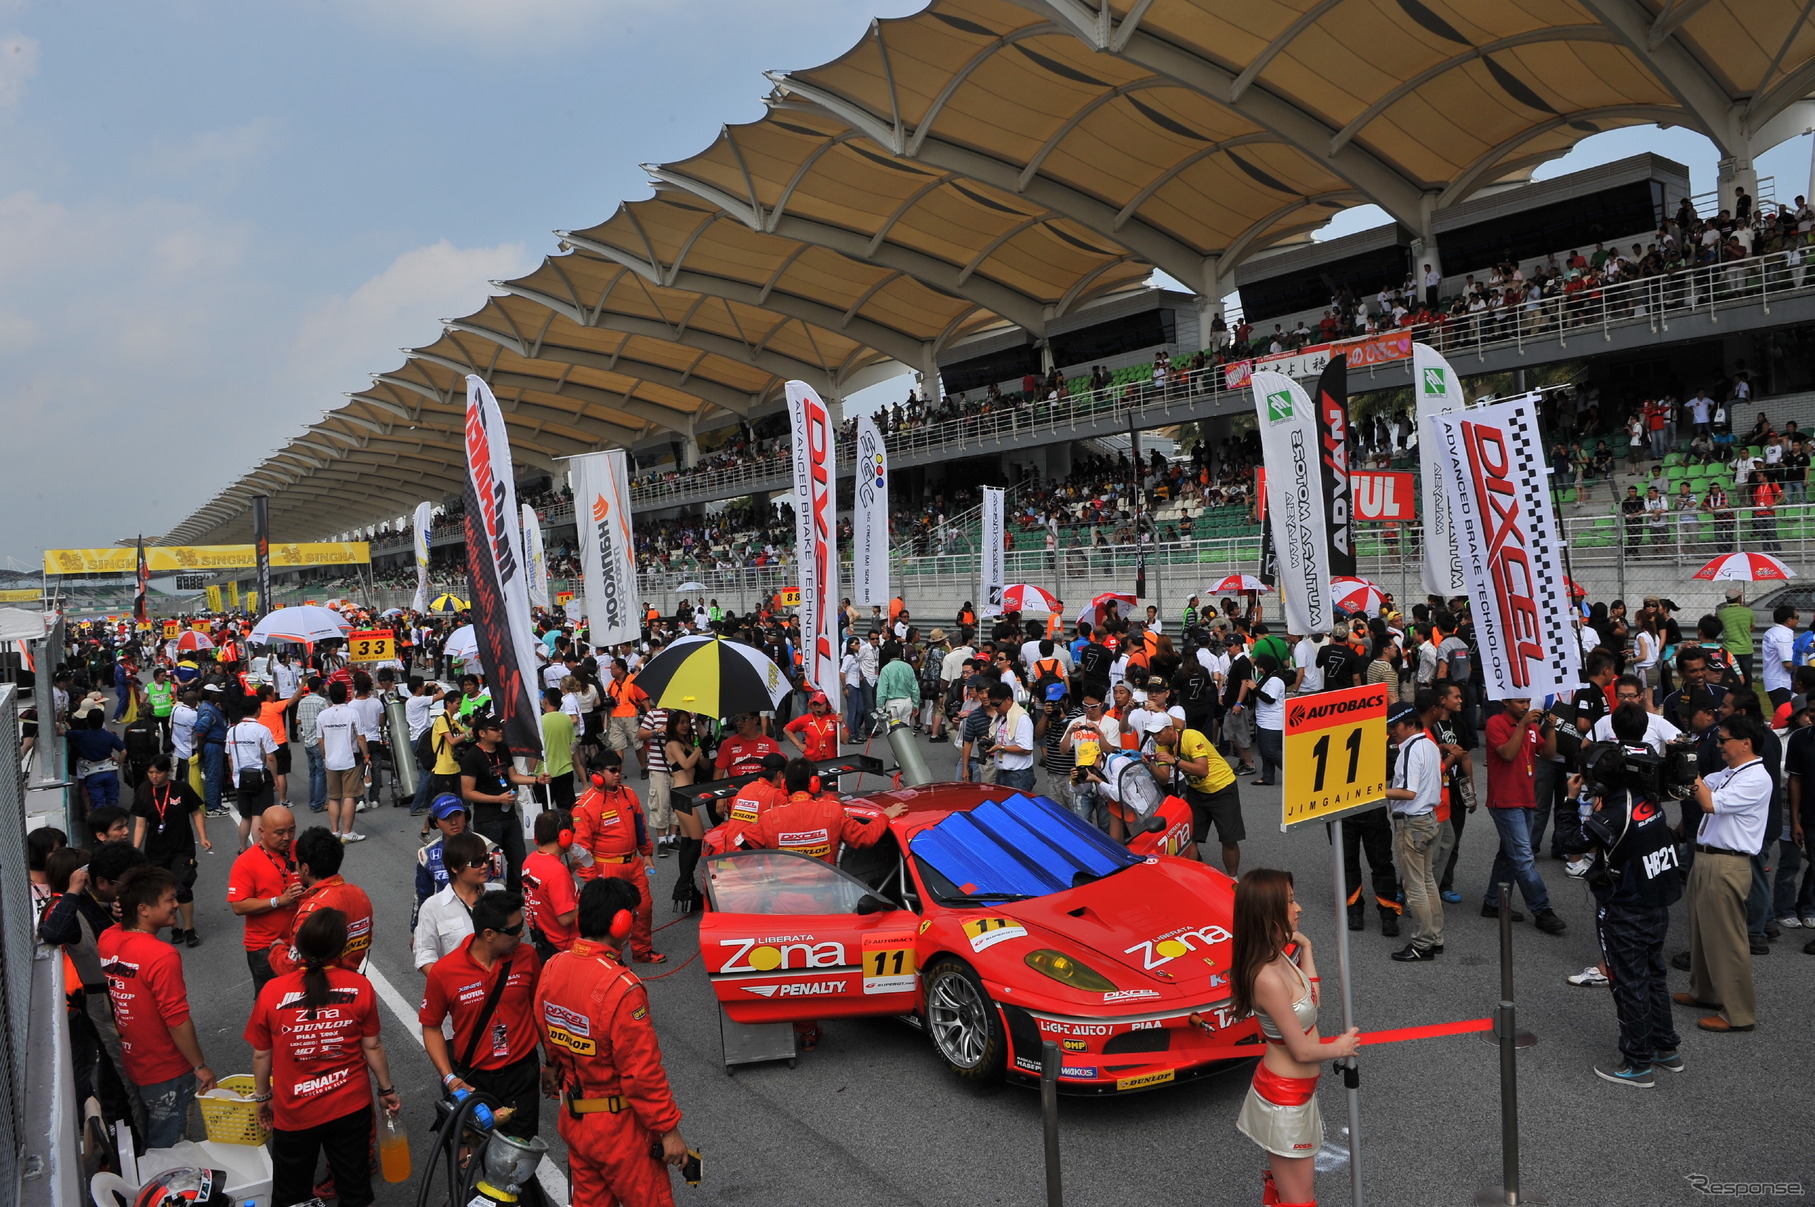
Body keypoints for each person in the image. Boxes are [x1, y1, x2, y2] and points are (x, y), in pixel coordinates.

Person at [534, 877, 693, 1207]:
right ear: (622, 922)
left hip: (575, 1117)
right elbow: (641, 1073)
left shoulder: (553, 966)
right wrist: (668, 1130)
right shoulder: (621, 987)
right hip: (619, 1129)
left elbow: (548, 1034)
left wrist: (556, 1067)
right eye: (633, 916)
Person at [247, 908, 399, 1207]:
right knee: (354, 1187)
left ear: (298, 947)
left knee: (291, 1192)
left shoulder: (272, 991)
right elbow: (373, 1047)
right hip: (350, 1106)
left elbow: (261, 1054)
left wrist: (263, 1096)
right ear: (342, 948)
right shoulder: (359, 986)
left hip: (294, 1112)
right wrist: (386, 1090)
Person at [1230, 868, 1359, 1207]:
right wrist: (1340, 1047)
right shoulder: (1267, 977)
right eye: (1289, 902)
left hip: (1296, 1095)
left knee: (1296, 1195)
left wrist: (1308, 949)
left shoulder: (1279, 955)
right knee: (1299, 1200)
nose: (1299, 907)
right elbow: (1301, 1051)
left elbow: (1312, 1002)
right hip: (1283, 1100)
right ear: (1267, 913)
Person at [1574, 704, 1686, 1086]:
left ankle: (1637, 1063)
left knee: (1629, 981)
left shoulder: (1612, 811)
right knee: (1653, 975)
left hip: (1625, 907)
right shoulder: (1650, 795)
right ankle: (1665, 1047)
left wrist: (1575, 802)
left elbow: (1568, 844)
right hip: (1657, 900)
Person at [97, 865, 218, 1149]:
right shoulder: (161, 955)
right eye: (169, 900)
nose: (177, 904)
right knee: (168, 1147)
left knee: (146, 1134)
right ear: (144, 909)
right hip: (166, 1069)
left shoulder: (108, 937)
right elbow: (176, 1019)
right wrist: (200, 1066)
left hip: (132, 1061)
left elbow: (119, 922)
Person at [421, 890, 544, 1167]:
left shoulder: (527, 957)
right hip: (474, 1081)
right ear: (489, 934)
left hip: (521, 1074)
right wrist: (450, 1079)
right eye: (514, 930)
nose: (522, 935)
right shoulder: (445, 972)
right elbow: (430, 1027)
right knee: (477, 1159)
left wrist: (552, 1063)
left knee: (519, 1159)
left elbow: (538, 1009)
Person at [1679, 712, 1772, 1033]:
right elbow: (1700, 785)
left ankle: (1739, 1013)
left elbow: (1707, 801)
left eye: (1723, 740)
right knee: (1703, 931)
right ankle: (1705, 993)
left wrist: (1687, 767)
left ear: (1745, 743)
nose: (1718, 745)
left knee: (1728, 939)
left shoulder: (1756, 777)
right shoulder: (1733, 771)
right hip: (1707, 858)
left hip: (1728, 862)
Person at [1484, 698, 1568, 935]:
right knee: (1523, 857)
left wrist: (1550, 728)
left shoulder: (1532, 727)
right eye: (1520, 702)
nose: (1526, 706)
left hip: (1527, 798)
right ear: (1506, 701)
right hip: (1506, 801)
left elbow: (1549, 753)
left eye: (1528, 702)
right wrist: (1522, 727)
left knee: (1509, 854)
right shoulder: (1495, 723)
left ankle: (1492, 902)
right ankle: (1542, 910)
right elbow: (1507, 754)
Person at [571, 751, 664, 964]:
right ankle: (612, 958)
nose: (618, 774)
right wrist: (593, 881)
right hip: (607, 870)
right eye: (612, 770)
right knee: (611, 916)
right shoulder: (585, 806)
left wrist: (647, 853)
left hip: (633, 864)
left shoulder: (628, 793)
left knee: (643, 907)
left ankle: (642, 951)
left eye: (619, 769)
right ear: (597, 774)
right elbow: (580, 849)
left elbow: (640, 825)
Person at [266, 826, 374, 976]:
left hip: (319, 989)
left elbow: (293, 967)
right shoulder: (359, 894)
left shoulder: (311, 911)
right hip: (352, 979)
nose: (295, 867)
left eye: (296, 863)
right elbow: (366, 939)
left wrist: (277, 950)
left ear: (305, 868)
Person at [1384, 703, 1445, 961]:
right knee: (1428, 880)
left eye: (1395, 726)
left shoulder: (1410, 750)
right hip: (1429, 818)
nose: (1391, 732)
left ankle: (1421, 944)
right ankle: (1435, 937)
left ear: (1410, 723)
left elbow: (1408, 791)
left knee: (1415, 885)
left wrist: (1375, 791)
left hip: (1411, 822)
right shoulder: (1430, 744)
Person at [461, 714, 547, 894]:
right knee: (493, 863)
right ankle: (493, 897)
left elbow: (513, 776)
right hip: (488, 819)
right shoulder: (472, 756)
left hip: (509, 816)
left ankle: (514, 895)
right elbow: (467, 792)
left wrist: (536, 780)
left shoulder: (502, 748)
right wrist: (497, 799)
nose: (500, 732)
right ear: (482, 733)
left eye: (500, 728)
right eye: (494, 729)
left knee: (519, 858)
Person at [129, 755, 210, 947]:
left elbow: (196, 812)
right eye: (150, 772)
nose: (154, 776)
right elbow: (140, 824)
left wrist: (203, 837)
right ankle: (175, 927)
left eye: (158, 772)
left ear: (168, 772)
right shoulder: (144, 792)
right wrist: (134, 849)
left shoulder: (181, 789)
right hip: (155, 852)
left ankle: (189, 929)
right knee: (164, 892)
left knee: (181, 887)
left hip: (182, 848)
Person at [1145, 717, 1243, 875]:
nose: (1155, 737)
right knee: (1190, 837)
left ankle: (1233, 879)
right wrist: (1150, 764)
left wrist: (1175, 760)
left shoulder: (1191, 736)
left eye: (1158, 732)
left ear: (1171, 729)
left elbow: (1202, 770)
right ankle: (1192, 877)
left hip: (1222, 787)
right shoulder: (1161, 747)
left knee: (1228, 838)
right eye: (1152, 733)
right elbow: (1163, 778)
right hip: (1197, 790)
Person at [225, 804, 302, 999]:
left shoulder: (299, 850)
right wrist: (278, 901)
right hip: (264, 947)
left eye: (291, 830)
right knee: (271, 999)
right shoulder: (246, 862)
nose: (287, 837)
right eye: (279, 832)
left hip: (300, 941)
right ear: (261, 832)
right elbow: (238, 905)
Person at [414, 831, 500, 971]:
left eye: (486, 859)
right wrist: (451, 985)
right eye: (477, 862)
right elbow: (424, 955)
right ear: (454, 868)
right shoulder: (433, 907)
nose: (485, 865)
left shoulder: (498, 893)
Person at [315, 681, 370, 844]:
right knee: (349, 796)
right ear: (345, 694)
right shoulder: (352, 713)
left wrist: (325, 757)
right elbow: (360, 736)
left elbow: (320, 740)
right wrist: (366, 756)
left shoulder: (323, 715)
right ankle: (347, 832)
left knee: (333, 797)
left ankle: (334, 831)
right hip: (350, 759)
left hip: (331, 761)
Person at [522, 810, 580, 956]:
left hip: (545, 940)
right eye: (572, 831)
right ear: (564, 836)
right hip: (565, 947)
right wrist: (590, 901)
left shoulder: (530, 860)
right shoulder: (556, 872)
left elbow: (545, 885)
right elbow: (565, 918)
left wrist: (570, 868)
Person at [225, 700, 280, 851]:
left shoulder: (232, 731)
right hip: (259, 777)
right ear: (257, 710)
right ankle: (258, 849)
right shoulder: (262, 730)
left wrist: (235, 773)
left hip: (240, 778)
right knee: (258, 815)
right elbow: (270, 757)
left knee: (245, 816)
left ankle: (243, 847)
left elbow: (229, 757)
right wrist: (275, 777)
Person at [70, 705, 125, 811]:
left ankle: (99, 823)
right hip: (109, 771)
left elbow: (62, 732)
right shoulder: (109, 736)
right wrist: (118, 763)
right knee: (113, 801)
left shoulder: (81, 735)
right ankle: (113, 821)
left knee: (97, 803)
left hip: (92, 773)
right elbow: (123, 751)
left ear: (88, 721)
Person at [984, 682, 1037, 790]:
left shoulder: (1022, 718)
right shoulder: (1001, 717)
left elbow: (1026, 749)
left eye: (997, 704)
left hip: (1018, 776)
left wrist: (1000, 747)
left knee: (1018, 807)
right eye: (992, 705)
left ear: (1008, 700)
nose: (995, 708)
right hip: (1001, 772)